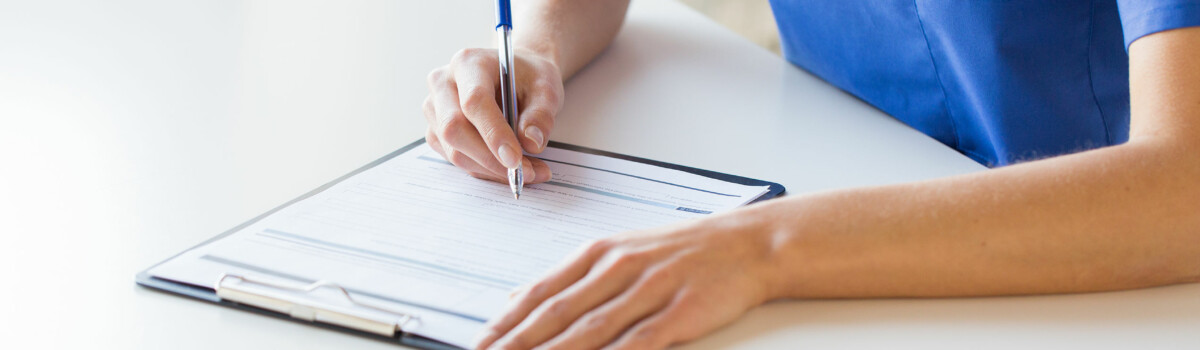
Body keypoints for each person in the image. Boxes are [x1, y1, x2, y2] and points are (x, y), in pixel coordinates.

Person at [420, 1, 1200, 349]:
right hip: (849, 262)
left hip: (1116, 293)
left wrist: (761, 250)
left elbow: (1184, 188)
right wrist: (538, 50)